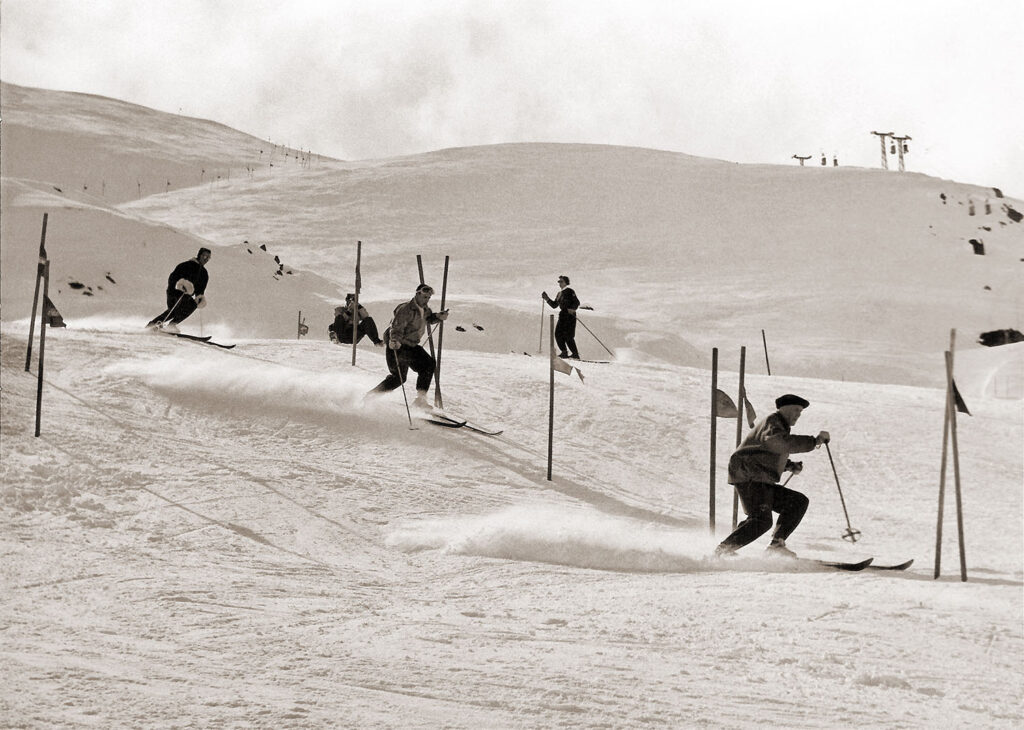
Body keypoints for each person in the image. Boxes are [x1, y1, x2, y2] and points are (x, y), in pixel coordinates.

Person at [714, 394, 830, 559]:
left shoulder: (779, 426)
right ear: (786, 408)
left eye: (801, 411)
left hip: (758, 476)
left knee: (797, 502)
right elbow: (776, 443)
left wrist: (789, 465)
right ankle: (722, 552)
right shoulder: (773, 422)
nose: (799, 414)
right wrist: (813, 441)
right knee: (762, 519)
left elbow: (768, 451)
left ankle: (776, 544)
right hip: (749, 475)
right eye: (797, 410)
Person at [369, 284, 449, 409]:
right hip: (397, 344)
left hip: (410, 345)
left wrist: (438, 317)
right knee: (398, 378)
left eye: (428, 298)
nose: (426, 300)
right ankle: (370, 397)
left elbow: (428, 319)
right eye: (424, 297)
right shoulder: (405, 309)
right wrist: (395, 341)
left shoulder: (425, 309)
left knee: (428, 365)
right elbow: (396, 327)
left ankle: (420, 400)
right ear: (417, 294)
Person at [146, 248, 212, 332]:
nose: (206, 259)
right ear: (199, 255)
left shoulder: (204, 273)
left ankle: (169, 325)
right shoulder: (186, 265)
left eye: (208, 257)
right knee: (175, 310)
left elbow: (200, 288)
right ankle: (154, 325)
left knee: (192, 305)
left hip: (186, 295)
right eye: (204, 256)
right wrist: (179, 286)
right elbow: (173, 277)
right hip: (174, 292)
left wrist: (200, 296)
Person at [542, 274, 580, 359]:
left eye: (561, 281)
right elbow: (554, 305)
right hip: (562, 315)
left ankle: (575, 354)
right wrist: (547, 298)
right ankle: (564, 352)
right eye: (559, 281)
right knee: (558, 334)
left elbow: (577, 302)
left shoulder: (570, 291)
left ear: (566, 282)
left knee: (568, 335)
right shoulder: (559, 294)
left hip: (570, 316)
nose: (559, 283)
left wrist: (572, 309)